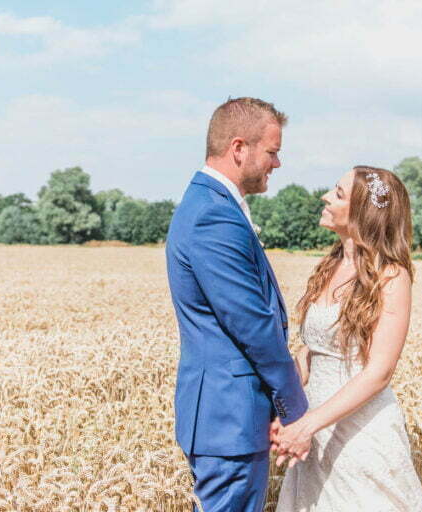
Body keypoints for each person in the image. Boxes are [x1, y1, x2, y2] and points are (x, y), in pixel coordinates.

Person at [165, 97, 309, 512]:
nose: (277, 164)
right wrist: (295, 407)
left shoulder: (211, 205)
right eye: (272, 151)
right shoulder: (213, 214)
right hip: (230, 415)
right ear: (239, 148)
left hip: (226, 414)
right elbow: (252, 324)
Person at [273, 166, 422, 511]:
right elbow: (312, 351)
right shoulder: (330, 265)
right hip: (314, 426)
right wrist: (282, 407)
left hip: (359, 432)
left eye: (338, 193)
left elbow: (379, 373)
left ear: (363, 212)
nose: (325, 197)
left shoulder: (392, 276)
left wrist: (308, 425)